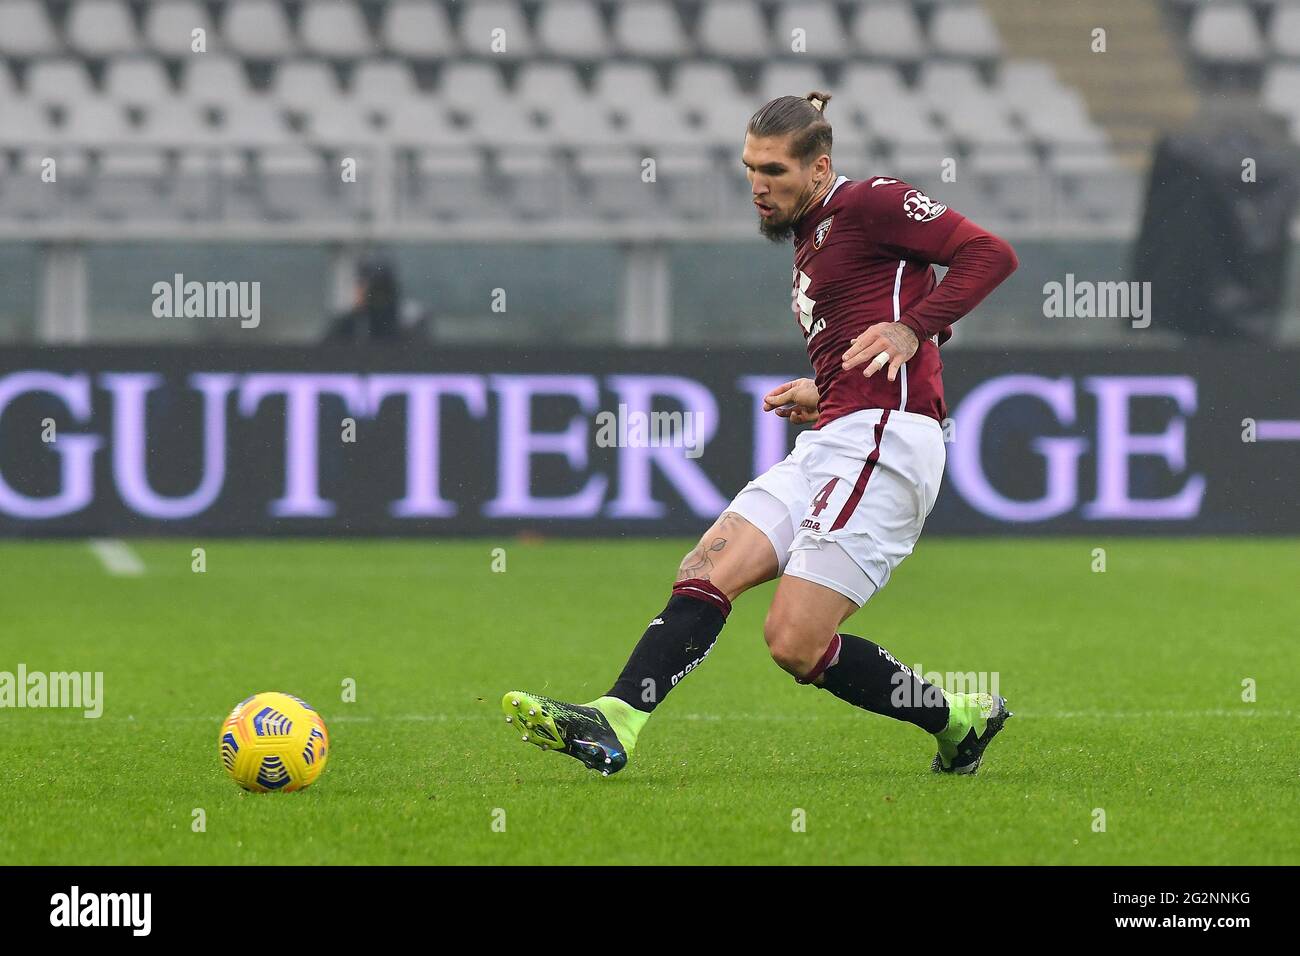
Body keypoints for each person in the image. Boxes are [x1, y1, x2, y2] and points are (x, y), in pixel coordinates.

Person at [502, 91, 1020, 776]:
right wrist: (828, 384)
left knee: (795, 643)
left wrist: (910, 328)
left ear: (818, 168)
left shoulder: (872, 202)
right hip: (838, 429)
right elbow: (878, 313)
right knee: (707, 566)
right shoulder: (816, 236)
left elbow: (990, 253)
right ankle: (618, 718)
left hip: (885, 441)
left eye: (773, 170)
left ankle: (959, 720)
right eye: (749, 167)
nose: (757, 186)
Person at [323, 255, 431, 343]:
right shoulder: (349, 326)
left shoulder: (410, 322)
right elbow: (324, 357)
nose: (378, 296)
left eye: (383, 290)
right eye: (372, 289)